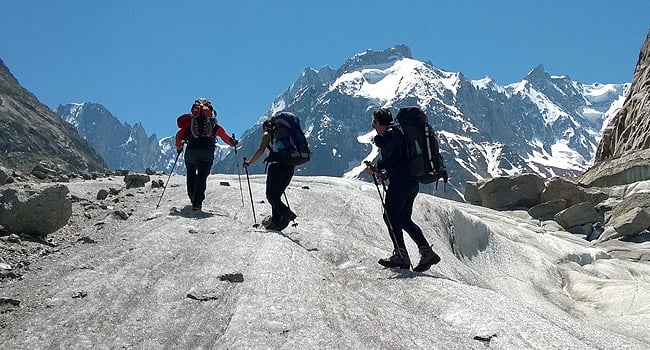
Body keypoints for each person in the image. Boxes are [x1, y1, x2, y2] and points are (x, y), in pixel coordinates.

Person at [365, 107, 440, 272]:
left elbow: (393, 159)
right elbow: (401, 160)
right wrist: (384, 173)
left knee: (390, 216)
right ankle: (426, 252)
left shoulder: (391, 136)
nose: (373, 126)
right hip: (411, 183)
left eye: (374, 122)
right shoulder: (399, 133)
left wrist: (377, 168)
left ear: (379, 122)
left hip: (401, 183)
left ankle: (401, 255)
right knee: (404, 219)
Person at [175, 98, 237, 210]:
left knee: (191, 174)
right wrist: (233, 143)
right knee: (202, 177)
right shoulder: (213, 125)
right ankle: (197, 202)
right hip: (207, 153)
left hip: (191, 152)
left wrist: (179, 147)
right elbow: (225, 137)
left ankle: (192, 196)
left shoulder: (190, 123)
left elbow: (179, 135)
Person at [243, 117, 297, 231]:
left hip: (276, 167)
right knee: (276, 196)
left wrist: (249, 163)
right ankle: (275, 221)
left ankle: (286, 214)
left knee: (271, 195)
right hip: (290, 167)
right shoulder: (285, 135)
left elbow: (261, 150)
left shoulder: (267, 134)